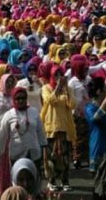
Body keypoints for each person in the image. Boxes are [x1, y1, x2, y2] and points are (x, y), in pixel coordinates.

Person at [0, 87, 48, 197]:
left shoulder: (34, 112)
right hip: (17, 154)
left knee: (34, 180)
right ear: (14, 99)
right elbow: (2, 137)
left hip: (34, 153)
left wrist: (45, 151)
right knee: (18, 181)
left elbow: (41, 132)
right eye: (18, 98)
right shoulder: (8, 115)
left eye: (23, 98)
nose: (21, 101)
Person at [41, 65, 76, 193]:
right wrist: (57, 87)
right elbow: (50, 100)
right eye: (55, 75)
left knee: (65, 156)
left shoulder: (68, 89)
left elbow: (72, 104)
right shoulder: (46, 88)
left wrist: (65, 88)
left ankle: (65, 180)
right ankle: (52, 181)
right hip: (51, 128)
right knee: (52, 156)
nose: (58, 78)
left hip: (65, 127)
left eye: (60, 75)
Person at [85, 78, 106, 174]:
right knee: (100, 183)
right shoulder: (90, 107)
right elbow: (94, 119)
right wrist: (105, 103)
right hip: (99, 147)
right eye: (105, 88)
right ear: (99, 91)